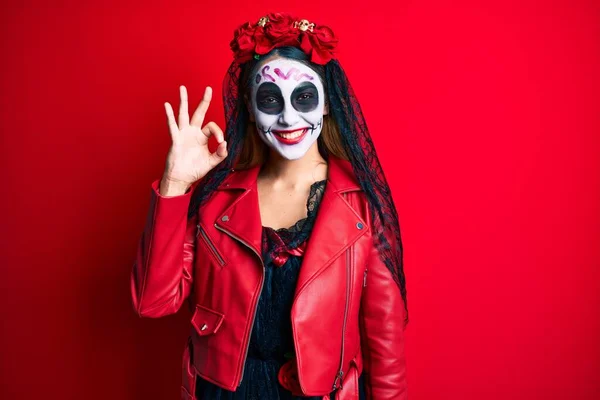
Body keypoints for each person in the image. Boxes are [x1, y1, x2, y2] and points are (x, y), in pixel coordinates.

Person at [131, 12, 409, 400]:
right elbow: (153, 302)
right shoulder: (216, 200)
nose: (288, 116)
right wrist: (175, 184)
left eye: (305, 97)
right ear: (248, 105)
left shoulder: (363, 207)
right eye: (269, 99)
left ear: (327, 103)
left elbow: (385, 344)